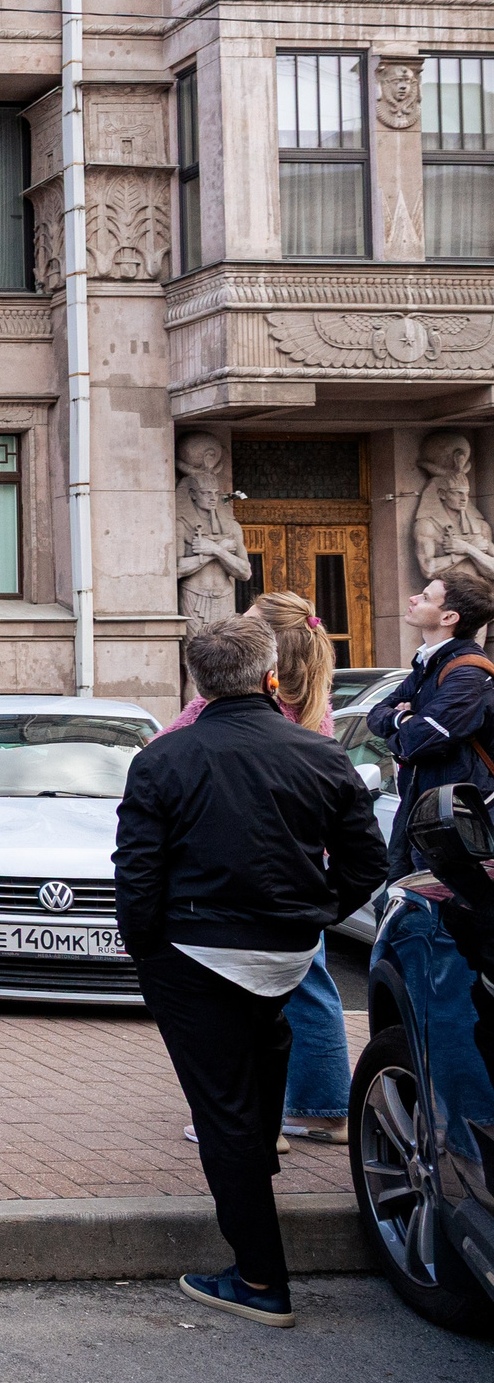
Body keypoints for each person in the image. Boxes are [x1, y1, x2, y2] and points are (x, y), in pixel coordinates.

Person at [116, 613, 387, 1328]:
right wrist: (314, 913)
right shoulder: (321, 755)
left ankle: (260, 1278)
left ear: (197, 682)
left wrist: (145, 947)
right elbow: (368, 864)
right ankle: (255, 1224)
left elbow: (137, 874)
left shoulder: (162, 760)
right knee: (255, 1102)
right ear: (270, 676)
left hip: (194, 953)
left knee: (227, 1116)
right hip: (283, 952)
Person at [158, 591, 356, 1149]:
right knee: (309, 986)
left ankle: (251, 1120)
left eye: (245, 625)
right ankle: (323, 1107)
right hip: (298, 873)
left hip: (226, 873)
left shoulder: (227, 704)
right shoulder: (314, 707)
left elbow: (166, 754)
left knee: (229, 1000)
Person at [365, 569, 494, 878]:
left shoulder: (467, 674)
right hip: (423, 808)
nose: (412, 598)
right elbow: (376, 713)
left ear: (448, 617)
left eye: (424, 597)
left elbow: (418, 740)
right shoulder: (429, 663)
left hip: (458, 819)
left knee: (444, 913)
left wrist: (401, 727)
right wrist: (403, 719)